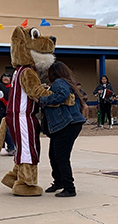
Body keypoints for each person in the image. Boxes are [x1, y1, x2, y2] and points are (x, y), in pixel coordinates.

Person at [39, 61, 85, 197]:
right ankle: (59, 182)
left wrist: (42, 100)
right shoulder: (66, 82)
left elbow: (62, 95)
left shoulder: (59, 83)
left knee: (61, 157)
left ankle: (69, 188)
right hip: (65, 125)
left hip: (67, 124)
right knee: (53, 155)